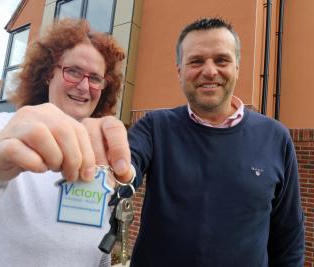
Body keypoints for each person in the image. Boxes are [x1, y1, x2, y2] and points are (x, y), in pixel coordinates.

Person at [84, 17, 305, 266]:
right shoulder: (155, 126)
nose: (209, 71)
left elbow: (289, 238)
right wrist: (106, 167)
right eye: (196, 61)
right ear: (180, 71)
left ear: (237, 68)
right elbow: (125, 167)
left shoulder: (276, 137)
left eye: (222, 60)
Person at [0, 19, 133, 267]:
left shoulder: (103, 156)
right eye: (73, 71)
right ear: (49, 74)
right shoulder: (8, 127)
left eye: (95, 78)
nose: (84, 86)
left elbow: (92, 248)